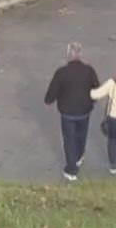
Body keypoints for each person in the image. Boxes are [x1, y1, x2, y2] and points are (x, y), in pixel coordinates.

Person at [43, 42, 100, 182]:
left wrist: (48, 101)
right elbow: (96, 88)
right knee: (82, 134)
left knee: (69, 139)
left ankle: (71, 169)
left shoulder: (61, 72)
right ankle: (79, 155)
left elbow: (53, 91)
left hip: (67, 112)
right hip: (84, 110)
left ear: (69, 54)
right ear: (80, 54)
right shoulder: (89, 70)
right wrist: (92, 101)